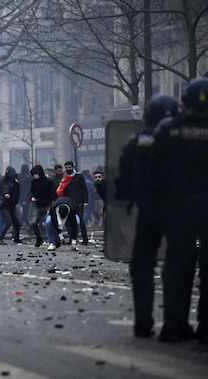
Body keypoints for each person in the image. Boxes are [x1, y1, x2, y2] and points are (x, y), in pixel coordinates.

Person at [117, 94, 179, 339]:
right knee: (178, 264)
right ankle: (176, 323)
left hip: (149, 210)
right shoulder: (182, 139)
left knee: (142, 264)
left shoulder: (137, 142)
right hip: (180, 211)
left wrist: (128, 200)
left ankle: (143, 321)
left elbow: (123, 179)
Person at [152, 80, 208, 343]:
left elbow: (155, 170)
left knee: (178, 266)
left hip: (178, 207)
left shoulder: (169, 129)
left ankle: (174, 323)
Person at [56, 161, 88, 244]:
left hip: (79, 202)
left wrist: (85, 201)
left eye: (69, 167)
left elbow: (84, 189)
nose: (68, 169)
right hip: (68, 202)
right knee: (69, 221)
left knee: (81, 221)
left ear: (72, 167)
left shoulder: (79, 176)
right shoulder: (64, 178)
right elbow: (61, 190)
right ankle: (72, 239)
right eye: (66, 167)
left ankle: (85, 239)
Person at [0, 166, 21, 245]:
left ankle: (16, 238)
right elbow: (2, 189)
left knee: (16, 223)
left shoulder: (15, 181)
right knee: (8, 221)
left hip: (11, 205)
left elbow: (17, 192)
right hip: (4, 205)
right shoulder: (3, 181)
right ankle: (0, 238)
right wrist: (4, 194)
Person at [30, 165, 55, 247]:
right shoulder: (33, 182)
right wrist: (33, 197)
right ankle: (39, 239)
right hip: (37, 205)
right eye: (33, 174)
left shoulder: (48, 182)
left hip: (47, 204)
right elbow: (32, 191)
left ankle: (52, 240)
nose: (35, 176)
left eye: (36, 174)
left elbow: (52, 194)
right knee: (33, 223)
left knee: (48, 223)